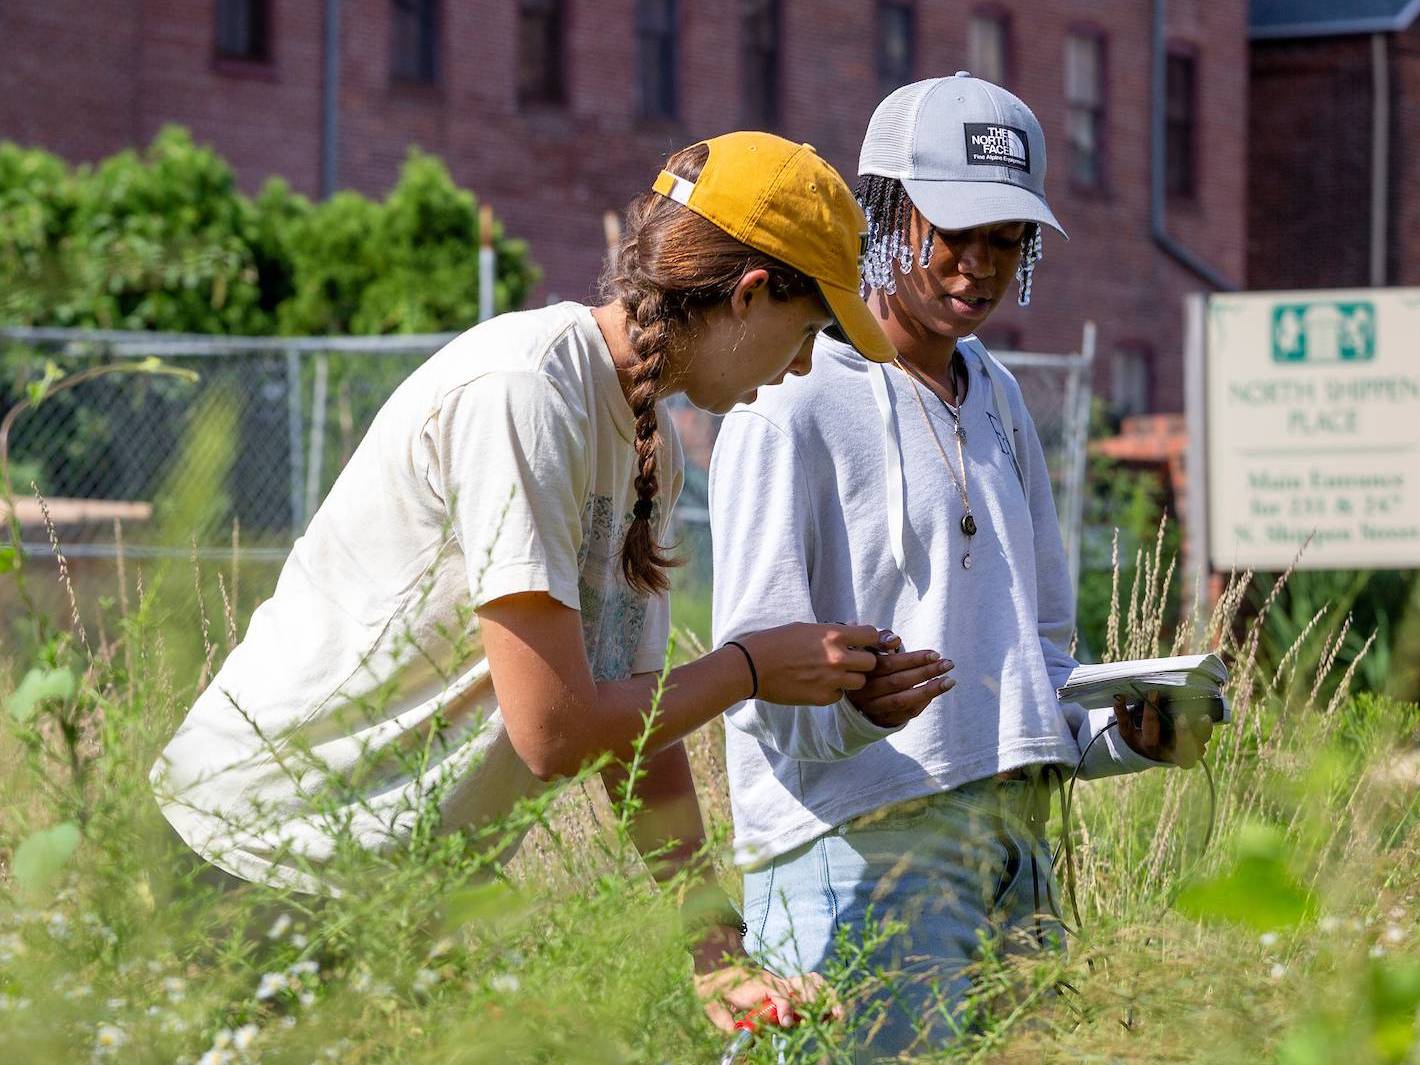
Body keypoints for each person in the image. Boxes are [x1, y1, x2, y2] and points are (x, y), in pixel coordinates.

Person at [149, 131, 943, 1033]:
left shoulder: (651, 451)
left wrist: (715, 948)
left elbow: (634, 733)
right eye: (807, 333)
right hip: (260, 856)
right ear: (750, 294)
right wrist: (750, 669)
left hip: (386, 893)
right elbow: (556, 733)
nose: (801, 366)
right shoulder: (524, 394)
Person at [709, 75, 1214, 1058]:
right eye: (957, 233)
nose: (979, 266)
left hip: (1009, 842)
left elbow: (1038, 655)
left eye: (1007, 241)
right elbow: (752, 683)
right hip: (856, 849)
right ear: (886, 216)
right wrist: (856, 710)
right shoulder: (792, 397)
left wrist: (1127, 731)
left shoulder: (999, 396)